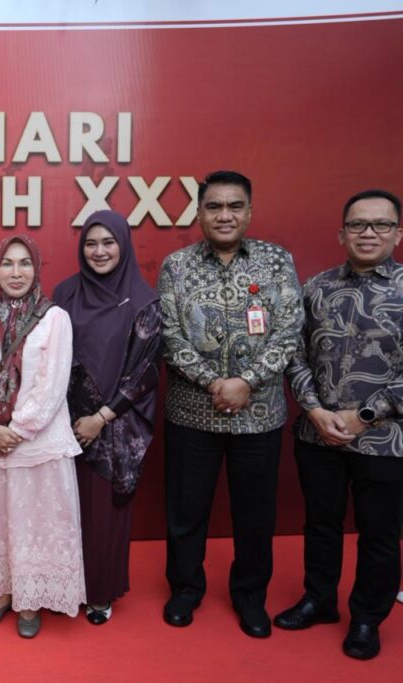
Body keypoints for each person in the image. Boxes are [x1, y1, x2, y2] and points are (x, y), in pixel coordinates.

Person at [157, 170, 303, 638]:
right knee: (186, 511)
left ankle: (249, 596)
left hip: (258, 415)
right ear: (199, 213)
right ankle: (185, 589)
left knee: (255, 514)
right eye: (214, 206)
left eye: (234, 206)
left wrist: (247, 381)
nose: (225, 215)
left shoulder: (276, 262)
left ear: (249, 212)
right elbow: (169, 336)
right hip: (191, 412)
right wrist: (215, 383)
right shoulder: (176, 266)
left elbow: (289, 331)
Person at [276, 189, 403, 660]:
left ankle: (367, 617)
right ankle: (319, 600)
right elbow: (294, 355)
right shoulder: (316, 287)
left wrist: (365, 415)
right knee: (321, 523)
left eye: (380, 224)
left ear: (397, 234)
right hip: (319, 434)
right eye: (357, 224)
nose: (368, 233)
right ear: (341, 233)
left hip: (386, 440)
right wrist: (313, 409)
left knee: (380, 534)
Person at [0, 235, 85, 639]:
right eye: (7, 264)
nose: (16, 272)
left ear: (36, 269)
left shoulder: (55, 318)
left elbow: (53, 382)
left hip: (37, 442)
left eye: (24, 263)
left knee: (33, 521)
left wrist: (18, 428)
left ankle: (30, 597)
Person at [54, 210, 162, 625]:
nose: (99, 251)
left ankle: (99, 592)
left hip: (113, 428)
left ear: (123, 245)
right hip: (62, 423)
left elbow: (145, 371)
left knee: (101, 516)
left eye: (108, 242)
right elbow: (48, 352)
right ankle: (62, 587)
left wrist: (99, 417)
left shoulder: (143, 301)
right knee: (62, 510)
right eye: (90, 243)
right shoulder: (65, 293)